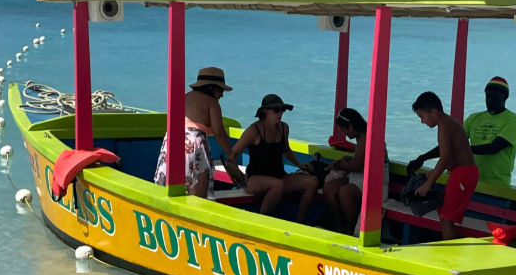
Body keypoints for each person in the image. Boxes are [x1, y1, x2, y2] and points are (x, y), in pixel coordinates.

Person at [230, 93, 318, 223]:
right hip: (255, 179)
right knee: (277, 185)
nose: (280, 114)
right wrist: (238, 178)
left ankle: (300, 223)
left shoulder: (284, 128)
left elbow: (286, 149)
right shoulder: (253, 130)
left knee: (313, 181)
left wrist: (299, 165)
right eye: (276, 110)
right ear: (265, 111)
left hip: (279, 176)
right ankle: (261, 223)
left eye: (282, 110)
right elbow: (232, 156)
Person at [407, 92, 479, 240]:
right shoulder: (446, 123)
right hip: (460, 173)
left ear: (434, 112)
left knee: (446, 218)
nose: (422, 121)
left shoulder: (445, 125)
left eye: (422, 117)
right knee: (444, 215)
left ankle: (450, 257)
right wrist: (430, 173)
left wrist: (428, 183)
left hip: (463, 174)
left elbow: (444, 158)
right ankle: (450, 252)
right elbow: (449, 154)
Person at [154, 66, 234, 198]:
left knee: (170, 193)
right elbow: (219, 132)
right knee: (197, 198)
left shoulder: (184, 97)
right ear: (211, 87)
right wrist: (231, 154)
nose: (222, 95)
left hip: (171, 141)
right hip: (193, 144)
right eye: (220, 89)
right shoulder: (211, 102)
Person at [322, 107, 384, 235]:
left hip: (374, 179)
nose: (344, 134)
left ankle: (350, 229)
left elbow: (355, 166)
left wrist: (337, 164)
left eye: (344, 130)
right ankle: (340, 225)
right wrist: (350, 159)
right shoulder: (360, 136)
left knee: (345, 192)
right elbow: (361, 159)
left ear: (351, 126)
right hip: (361, 175)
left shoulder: (368, 136)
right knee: (329, 188)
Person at [462, 76, 516, 187]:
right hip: (468, 179)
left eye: (494, 97)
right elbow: (453, 141)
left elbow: (494, 148)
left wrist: (461, 149)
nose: (489, 100)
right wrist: (424, 157)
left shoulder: (515, 120)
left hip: (497, 184)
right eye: (487, 96)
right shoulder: (473, 118)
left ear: (504, 97)